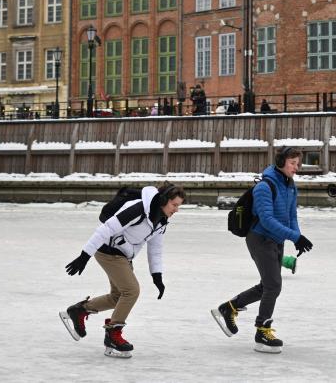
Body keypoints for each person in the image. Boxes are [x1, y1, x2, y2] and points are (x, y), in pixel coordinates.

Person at [63, 182, 186, 358]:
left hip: (124, 256)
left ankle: (80, 310)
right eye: (174, 205)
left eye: (179, 206)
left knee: (117, 297)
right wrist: (84, 256)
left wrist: (157, 276)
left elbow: (155, 249)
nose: (176, 210)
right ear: (164, 200)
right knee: (131, 290)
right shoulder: (137, 209)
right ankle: (113, 334)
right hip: (108, 252)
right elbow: (106, 229)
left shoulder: (161, 220)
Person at [211, 146, 314, 354]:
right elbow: (266, 220)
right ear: (280, 162)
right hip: (259, 238)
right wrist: (294, 236)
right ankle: (262, 330)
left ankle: (229, 307)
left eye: (298, 163)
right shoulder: (265, 187)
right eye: (292, 163)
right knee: (274, 285)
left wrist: (297, 237)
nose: (296, 168)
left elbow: (291, 215)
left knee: (268, 285)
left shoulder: (290, 185)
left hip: (276, 240)